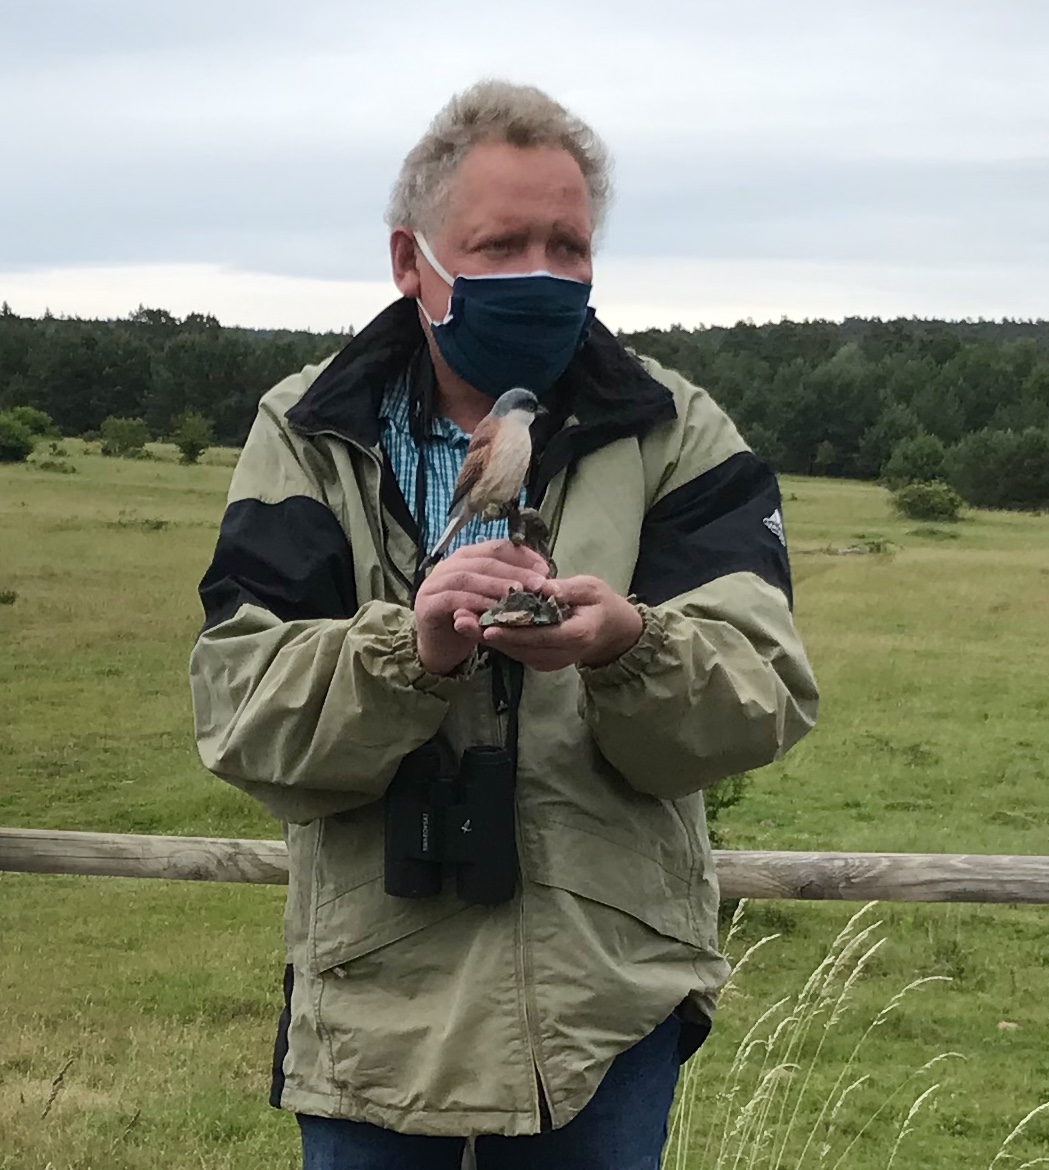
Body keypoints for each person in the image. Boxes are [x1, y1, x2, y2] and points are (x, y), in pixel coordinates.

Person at [188, 80, 818, 1168]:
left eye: (567, 245)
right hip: (372, 1006)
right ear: (409, 260)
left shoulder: (673, 431)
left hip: (602, 1008)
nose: (542, 274)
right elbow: (243, 708)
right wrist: (410, 652)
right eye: (499, 244)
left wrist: (629, 646)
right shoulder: (308, 432)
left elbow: (757, 694)